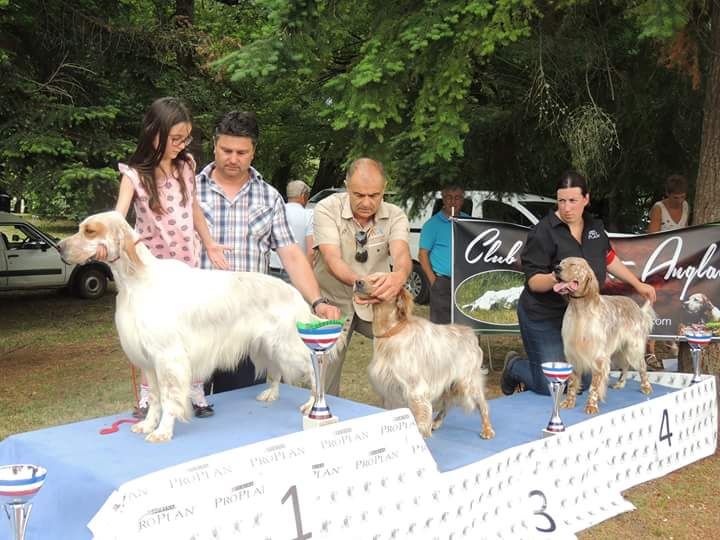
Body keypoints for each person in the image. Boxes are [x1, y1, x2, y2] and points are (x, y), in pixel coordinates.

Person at [97, 96, 228, 418]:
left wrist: (209, 243)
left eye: (187, 138)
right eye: (176, 139)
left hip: (186, 264)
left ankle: (194, 391)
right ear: (154, 134)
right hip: (152, 271)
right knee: (153, 333)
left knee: (191, 328)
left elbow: (194, 207)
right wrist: (105, 244)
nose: (182, 145)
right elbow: (118, 216)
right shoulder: (134, 175)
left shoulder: (186, 166)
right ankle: (149, 396)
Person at [196, 111, 340, 393]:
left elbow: (292, 255)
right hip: (198, 319)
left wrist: (317, 302)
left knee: (242, 409)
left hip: (249, 324)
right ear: (214, 145)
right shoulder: (188, 190)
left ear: (253, 152)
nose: (233, 158)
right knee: (188, 409)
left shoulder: (269, 197)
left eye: (242, 152)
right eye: (226, 150)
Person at [501, 170, 656, 396]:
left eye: (573, 200)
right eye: (561, 201)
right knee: (553, 385)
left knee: (584, 378)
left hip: (582, 315)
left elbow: (608, 257)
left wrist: (638, 284)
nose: (566, 207)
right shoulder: (543, 231)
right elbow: (534, 282)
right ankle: (514, 367)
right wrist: (558, 277)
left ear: (586, 199)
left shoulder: (594, 226)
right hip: (545, 315)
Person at [313, 158, 412, 396]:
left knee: (403, 363)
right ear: (346, 185)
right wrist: (364, 285)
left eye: (374, 195)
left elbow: (401, 254)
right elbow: (332, 259)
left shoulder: (396, 215)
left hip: (378, 305)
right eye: (358, 195)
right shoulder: (326, 209)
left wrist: (399, 277)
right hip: (332, 303)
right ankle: (323, 419)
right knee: (323, 380)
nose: (367, 203)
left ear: (384, 188)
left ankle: (399, 420)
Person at [645, 174, 690, 368]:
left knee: (676, 301)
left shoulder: (686, 206)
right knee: (656, 303)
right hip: (660, 262)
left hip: (679, 262)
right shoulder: (658, 209)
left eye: (682, 197)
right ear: (667, 195)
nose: (679, 201)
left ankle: (672, 339)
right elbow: (652, 238)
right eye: (675, 198)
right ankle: (650, 351)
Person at [418, 185, 468, 324]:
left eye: (457, 198)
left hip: (465, 280)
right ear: (443, 200)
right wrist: (433, 281)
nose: (453, 201)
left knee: (466, 323)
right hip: (442, 282)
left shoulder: (468, 222)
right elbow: (422, 255)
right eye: (449, 197)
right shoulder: (432, 224)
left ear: (462, 200)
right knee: (442, 326)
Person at [283, 180, 314, 265]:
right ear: (303, 196)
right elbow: (311, 252)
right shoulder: (309, 215)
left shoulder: (275, 211)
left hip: (270, 271)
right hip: (295, 270)